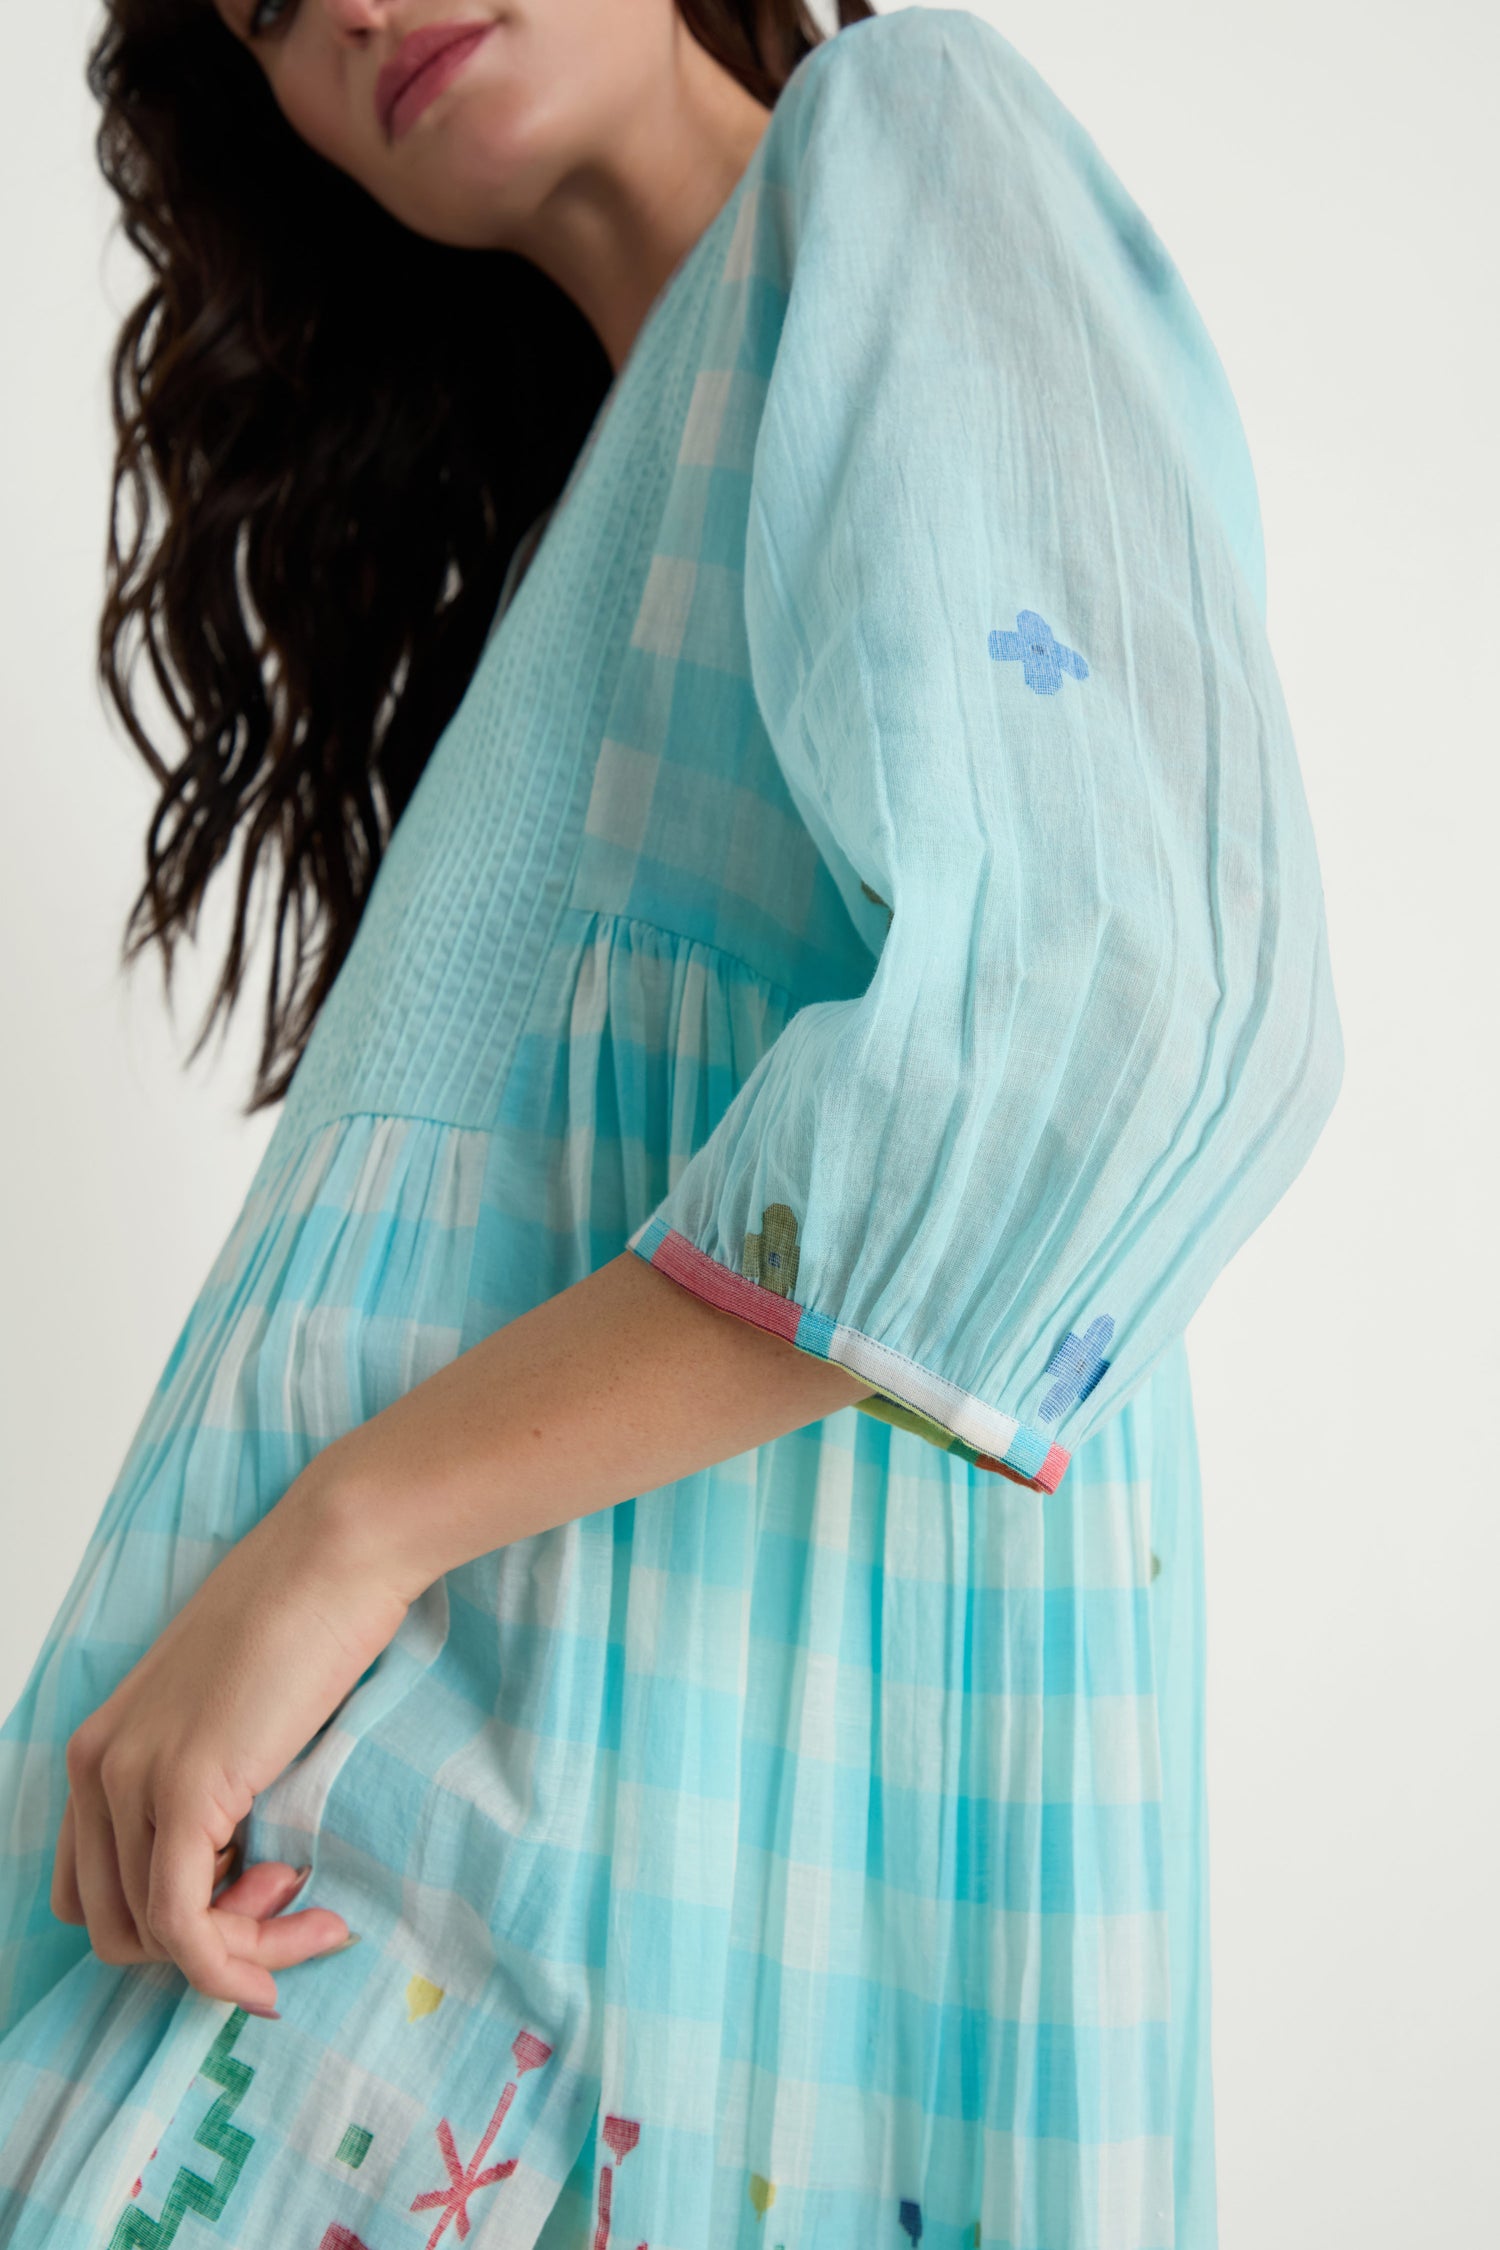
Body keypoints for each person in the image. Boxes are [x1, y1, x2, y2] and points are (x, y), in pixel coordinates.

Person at [0, 1, 1342, 2243]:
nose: (343, 5)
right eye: (262, 11)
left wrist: (346, 1535)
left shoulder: (898, 142)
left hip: (564, 1963)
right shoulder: (595, 526)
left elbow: (1102, 1007)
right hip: (364, 1923)